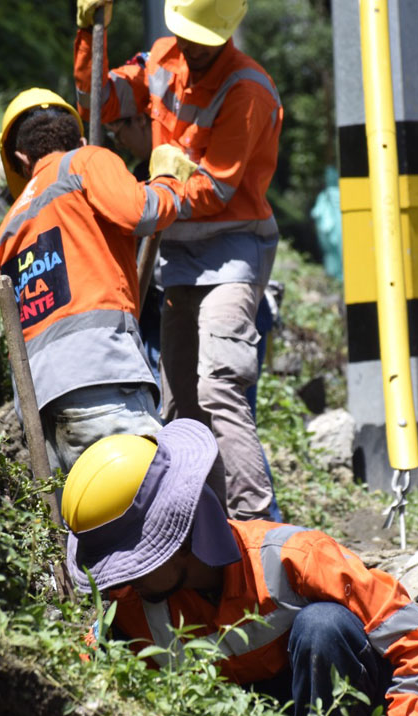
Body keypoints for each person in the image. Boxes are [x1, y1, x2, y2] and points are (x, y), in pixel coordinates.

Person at [62, 419, 418, 716]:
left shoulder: (295, 558)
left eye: (134, 564)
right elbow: (78, 673)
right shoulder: (130, 606)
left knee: (323, 626)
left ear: (178, 539)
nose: (125, 582)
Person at [73, 0, 283, 521]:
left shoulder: (248, 91)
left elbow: (215, 188)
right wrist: (89, 38)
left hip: (233, 251)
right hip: (177, 253)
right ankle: (203, 523)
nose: (189, 45)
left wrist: (159, 190)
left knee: (219, 387)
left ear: (225, 32)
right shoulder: (163, 59)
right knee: (180, 403)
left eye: (200, 38)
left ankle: (255, 523)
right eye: (184, 33)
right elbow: (99, 101)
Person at [0, 88, 196, 472]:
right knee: (146, 493)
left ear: (21, 159)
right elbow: (141, 212)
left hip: (39, 400)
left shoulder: (8, 227)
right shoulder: (86, 161)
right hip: (102, 375)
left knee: (84, 506)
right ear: (80, 140)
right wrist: (168, 180)